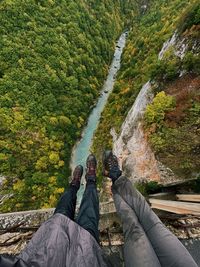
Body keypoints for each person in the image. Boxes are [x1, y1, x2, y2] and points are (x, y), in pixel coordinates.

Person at [0, 151, 198, 267]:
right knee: (147, 222)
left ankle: (76, 183)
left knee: (62, 211)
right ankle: (108, 177)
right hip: (85, 256)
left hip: (43, 257)